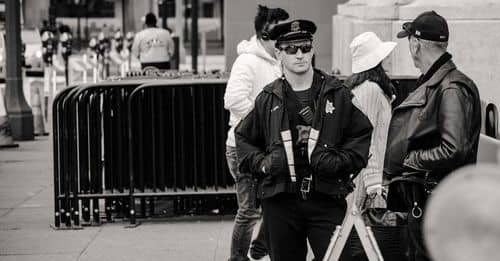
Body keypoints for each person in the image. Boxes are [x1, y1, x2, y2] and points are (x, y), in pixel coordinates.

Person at [235, 19, 373, 261]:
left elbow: (361, 134)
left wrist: (339, 163)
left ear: (313, 49)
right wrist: (264, 164)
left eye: (305, 47)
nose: (299, 54)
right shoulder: (268, 98)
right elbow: (244, 139)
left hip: (326, 197)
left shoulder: (336, 93)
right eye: (291, 49)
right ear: (278, 52)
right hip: (280, 201)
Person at [384, 10, 481, 261]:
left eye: (409, 42)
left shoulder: (450, 87)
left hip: (438, 201)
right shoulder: (437, 81)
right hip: (430, 199)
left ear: (415, 45)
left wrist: (411, 159)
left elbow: (454, 147)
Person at [224, 5, 289, 261]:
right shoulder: (247, 61)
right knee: (249, 212)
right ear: (265, 34)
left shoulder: (278, 61)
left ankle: (258, 249)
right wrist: (266, 118)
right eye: (280, 32)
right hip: (244, 150)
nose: (287, 37)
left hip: (268, 148)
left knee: (278, 205)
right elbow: (233, 99)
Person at [344, 32, 396, 210]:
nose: (389, 59)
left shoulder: (368, 88)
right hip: (364, 183)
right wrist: (374, 183)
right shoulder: (369, 90)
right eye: (384, 56)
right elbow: (366, 138)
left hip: (367, 179)